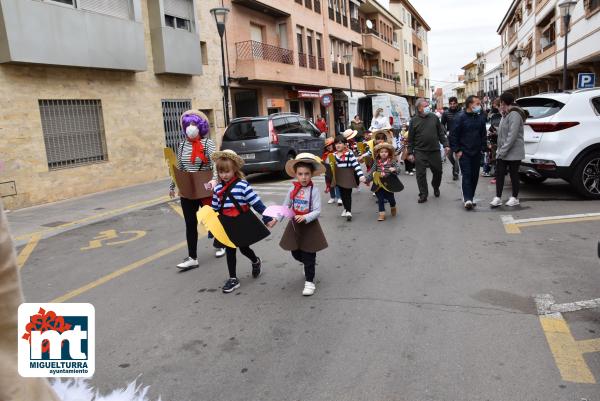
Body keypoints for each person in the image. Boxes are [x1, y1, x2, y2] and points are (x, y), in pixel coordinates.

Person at [210, 150, 275, 293]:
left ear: (234, 170)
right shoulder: (217, 189)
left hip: (241, 220)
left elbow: (257, 203)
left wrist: (267, 217)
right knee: (230, 250)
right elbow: (214, 208)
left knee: (244, 248)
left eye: (227, 171)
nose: (224, 175)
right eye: (221, 172)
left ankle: (255, 260)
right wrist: (211, 225)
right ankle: (233, 278)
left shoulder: (243, 185)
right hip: (226, 222)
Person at [169, 110, 223, 269]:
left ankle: (220, 244)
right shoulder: (181, 145)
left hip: (205, 186)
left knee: (211, 218)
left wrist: (214, 179)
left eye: (194, 125)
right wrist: (173, 185)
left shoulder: (208, 143)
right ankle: (192, 257)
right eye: (188, 125)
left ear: (200, 127)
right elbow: (178, 167)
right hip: (188, 187)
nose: (190, 128)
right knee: (190, 223)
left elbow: (215, 162)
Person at [279, 154, 329, 296]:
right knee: (295, 252)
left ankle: (309, 281)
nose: (304, 177)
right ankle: (308, 264)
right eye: (300, 174)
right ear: (296, 175)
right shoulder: (292, 189)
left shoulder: (314, 191)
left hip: (310, 226)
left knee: (309, 254)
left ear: (311, 174)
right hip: (295, 226)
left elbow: (317, 211)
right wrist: (276, 219)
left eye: (307, 174)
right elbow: (286, 206)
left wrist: (306, 217)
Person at [407, 98, 450, 203]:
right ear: (419, 108)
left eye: (427, 105)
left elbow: (440, 133)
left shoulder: (434, 117)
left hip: (434, 150)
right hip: (420, 151)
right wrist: (410, 152)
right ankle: (423, 194)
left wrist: (446, 145)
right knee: (420, 174)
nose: (428, 107)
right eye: (425, 106)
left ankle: (435, 186)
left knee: (438, 172)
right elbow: (410, 138)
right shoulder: (413, 121)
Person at [450, 95, 487, 210]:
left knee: (474, 176)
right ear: (470, 105)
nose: (479, 106)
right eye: (477, 103)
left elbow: (483, 134)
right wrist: (457, 150)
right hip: (464, 152)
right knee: (467, 175)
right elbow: (453, 135)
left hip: (477, 152)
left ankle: (471, 196)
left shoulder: (480, 117)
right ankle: (467, 199)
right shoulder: (460, 117)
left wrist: (483, 148)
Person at [490, 92, 527, 208]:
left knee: (513, 174)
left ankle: (515, 197)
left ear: (503, 102)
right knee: (500, 173)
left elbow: (512, 136)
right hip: (503, 150)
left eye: (500, 102)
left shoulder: (515, 114)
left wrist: (502, 151)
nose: (500, 105)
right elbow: (504, 132)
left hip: (513, 151)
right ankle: (498, 197)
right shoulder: (505, 114)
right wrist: (496, 132)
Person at [330, 135, 366, 221]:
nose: (338, 145)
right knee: (342, 194)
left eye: (340, 143)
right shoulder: (333, 155)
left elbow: (356, 165)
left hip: (348, 176)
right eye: (336, 143)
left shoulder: (349, 154)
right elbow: (331, 167)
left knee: (348, 194)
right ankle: (346, 209)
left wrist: (361, 175)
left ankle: (348, 211)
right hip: (339, 177)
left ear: (345, 144)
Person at [364, 143, 401, 221]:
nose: (384, 153)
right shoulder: (376, 162)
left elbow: (398, 169)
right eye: (382, 152)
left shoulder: (392, 161)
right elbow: (371, 172)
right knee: (380, 199)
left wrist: (394, 169)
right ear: (378, 153)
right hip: (378, 182)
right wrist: (367, 179)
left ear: (389, 153)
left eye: (385, 152)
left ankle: (393, 206)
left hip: (389, 183)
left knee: (391, 198)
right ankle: (382, 214)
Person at [440, 97, 461, 180]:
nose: (452, 105)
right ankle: (455, 166)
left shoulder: (461, 112)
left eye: (454, 103)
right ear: (449, 104)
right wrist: (445, 131)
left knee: (457, 156)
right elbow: (442, 124)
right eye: (451, 104)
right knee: (449, 155)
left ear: (457, 103)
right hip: (450, 137)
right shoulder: (446, 113)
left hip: (459, 137)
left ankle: (455, 173)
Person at [322, 137, 341, 205]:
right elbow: (323, 162)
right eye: (327, 146)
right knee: (330, 185)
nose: (329, 147)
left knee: (337, 184)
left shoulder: (337, 153)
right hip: (328, 171)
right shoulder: (325, 154)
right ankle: (332, 197)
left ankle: (339, 198)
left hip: (336, 171)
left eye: (330, 145)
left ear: (333, 144)